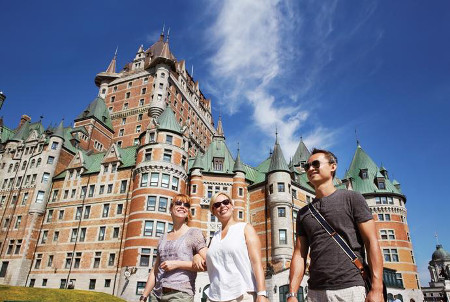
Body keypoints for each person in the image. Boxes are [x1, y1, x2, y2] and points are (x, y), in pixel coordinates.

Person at [288, 148, 384, 302]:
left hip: (350, 288)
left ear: (333, 166)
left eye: (316, 164)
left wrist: (377, 288)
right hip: (314, 291)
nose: (310, 168)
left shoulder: (352, 198)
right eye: (307, 167)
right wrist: (292, 293)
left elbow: (371, 242)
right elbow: (299, 255)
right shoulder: (303, 213)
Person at [194, 192, 268, 302]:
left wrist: (262, 293)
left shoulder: (245, 228)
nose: (222, 206)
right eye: (217, 205)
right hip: (215, 296)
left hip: (242, 295)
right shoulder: (214, 237)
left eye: (225, 202)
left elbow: (257, 263)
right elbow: (211, 261)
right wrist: (197, 256)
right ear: (213, 211)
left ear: (232, 206)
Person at [139, 194, 207, 302]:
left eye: (186, 205)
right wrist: (144, 296)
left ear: (188, 211)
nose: (182, 206)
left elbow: (208, 264)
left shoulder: (194, 233)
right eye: (178, 203)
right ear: (171, 208)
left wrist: (178, 264)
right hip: (156, 295)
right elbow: (155, 270)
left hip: (180, 294)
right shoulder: (162, 238)